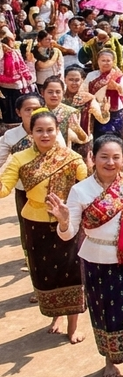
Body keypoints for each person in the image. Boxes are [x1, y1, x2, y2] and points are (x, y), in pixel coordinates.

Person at [49, 135, 123, 377]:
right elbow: (68, 234)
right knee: (104, 311)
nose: (110, 162)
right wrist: (64, 221)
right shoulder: (80, 190)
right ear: (92, 158)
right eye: (104, 157)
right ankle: (110, 360)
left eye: (116, 157)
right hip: (96, 260)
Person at [0, 107, 88, 340]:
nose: (45, 135)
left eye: (50, 130)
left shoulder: (71, 157)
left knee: (71, 272)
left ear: (57, 131)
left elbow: (89, 185)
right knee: (45, 273)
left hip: (66, 223)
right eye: (39, 130)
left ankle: (73, 324)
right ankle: (55, 315)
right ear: (31, 133)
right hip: (35, 224)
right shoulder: (20, 159)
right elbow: (4, 189)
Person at [85, 48, 123, 139]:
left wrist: (117, 87)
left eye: (108, 61)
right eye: (103, 60)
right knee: (99, 137)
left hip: (115, 111)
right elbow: (84, 91)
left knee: (115, 137)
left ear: (113, 62)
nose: (106, 63)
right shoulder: (91, 75)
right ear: (98, 61)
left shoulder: (118, 76)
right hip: (97, 110)